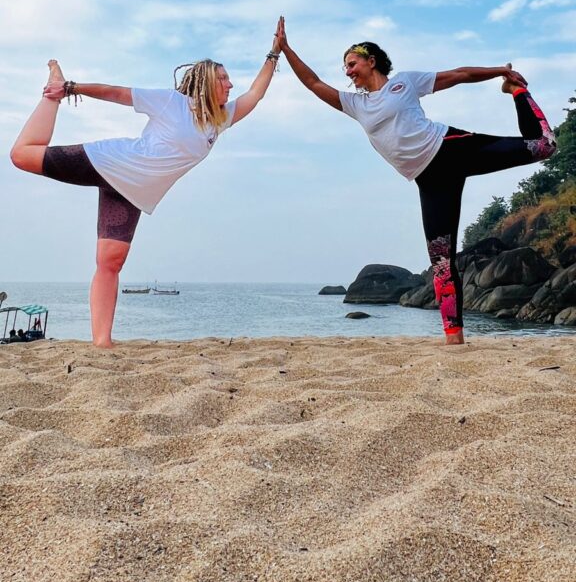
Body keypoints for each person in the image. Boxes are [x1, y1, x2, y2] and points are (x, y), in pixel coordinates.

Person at [276, 18, 557, 345]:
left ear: (371, 60)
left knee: (544, 146)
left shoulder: (404, 83)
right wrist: (285, 49)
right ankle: (455, 340)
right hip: (430, 180)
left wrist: (499, 72)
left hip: (453, 149)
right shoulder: (356, 105)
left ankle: (518, 92)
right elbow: (312, 82)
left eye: (352, 64)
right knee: (440, 261)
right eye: (345, 68)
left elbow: (458, 75)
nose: (348, 72)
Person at [11, 34, 281, 348]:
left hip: (132, 193)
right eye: (224, 78)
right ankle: (51, 93)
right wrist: (69, 87)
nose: (230, 85)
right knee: (21, 156)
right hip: (108, 162)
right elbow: (116, 93)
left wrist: (274, 53)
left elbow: (257, 93)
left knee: (110, 262)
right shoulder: (172, 102)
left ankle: (102, 342)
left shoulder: (219, 121)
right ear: (207, 81)